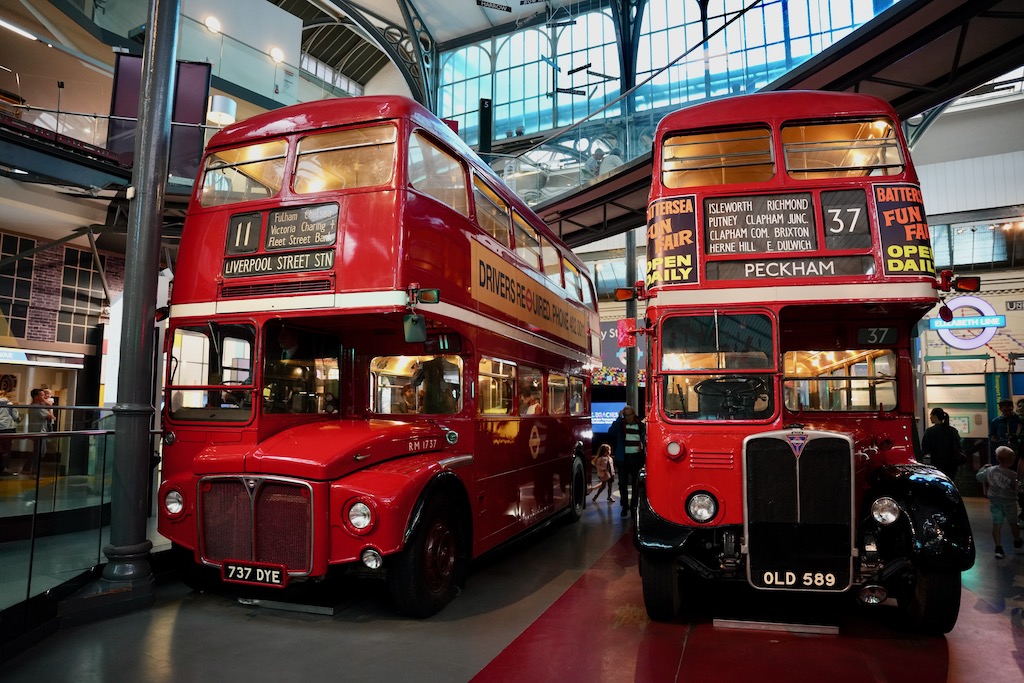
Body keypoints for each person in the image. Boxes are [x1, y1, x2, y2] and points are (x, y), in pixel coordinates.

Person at [976, 445, 1023, 559]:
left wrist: (982, 468)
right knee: (1013, 523)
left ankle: (998, 547)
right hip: (1010, 503)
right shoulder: (1012, 475)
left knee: (997, 524)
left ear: (997, 458)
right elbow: (1017, 488)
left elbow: (979, 477)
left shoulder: (990, 470)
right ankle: (1017, 541)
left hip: (995, 502)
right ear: (1012, 461)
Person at [607, 405, 646, 517]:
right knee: (622, 484)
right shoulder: (620, 425)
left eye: (628, 415)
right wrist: (619, 418)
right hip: (623, 459)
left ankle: (634, 507)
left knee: (635, 484)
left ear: (633, 414)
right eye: (625, 415)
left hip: (636, 458)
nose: (627, 417)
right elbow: (611, 432)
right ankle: (624, 507)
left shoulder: (640, 425)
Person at [921, 406, 964, 481]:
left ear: (935, 416)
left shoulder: (930, 431)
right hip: (952, 464)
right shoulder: (952, 430)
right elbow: (959, 445)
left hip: (937, 463)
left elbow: (925, 449)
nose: (930, 418)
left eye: (931, 416)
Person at [989, 398, 1021, 464]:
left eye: (1010, 410)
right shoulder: (996, 421)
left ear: (1013, 408)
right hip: (1002, 451)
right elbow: (991, 435)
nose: (1008, 413)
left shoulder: (1019, 419)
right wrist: (994, 439)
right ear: (1000, 409)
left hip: (1017, 450)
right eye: (1005, 411)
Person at [0, 389, 22, 475]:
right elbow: (15, 416)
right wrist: (19, 420)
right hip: (7, 428)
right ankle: (4, 467)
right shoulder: (9, 404)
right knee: (6, 449)